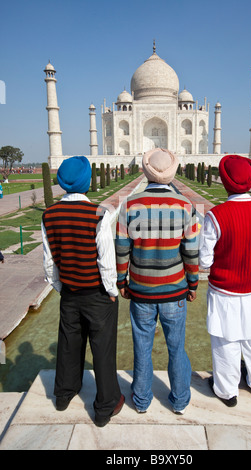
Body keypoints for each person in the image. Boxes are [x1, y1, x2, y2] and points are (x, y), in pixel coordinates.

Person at [42, 156, 124, 427]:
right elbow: (105, 259)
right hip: (98, 295)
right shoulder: (99, 213)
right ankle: (105, 407)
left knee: (68, 343)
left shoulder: (49, 214)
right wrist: (111, 290)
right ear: (88, 182)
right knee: (102, 349)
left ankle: (64, 395)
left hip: (70, 294)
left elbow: (49, 259)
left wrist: (61, 286)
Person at [116, 148, 200, 414]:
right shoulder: (186, 206)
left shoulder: (129, 205)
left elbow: (121, 249)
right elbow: (191, 251)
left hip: (140, 291)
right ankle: (180, 401)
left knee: (142, 347)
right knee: (176, 348)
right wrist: (193, 283)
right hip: (175, 291)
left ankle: (141, 401)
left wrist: (122, 281)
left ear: (145, 170)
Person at [199, 154, 251, 407]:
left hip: (224, 292)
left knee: (226, 342)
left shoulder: (216, 216)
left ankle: (227, 391)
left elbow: (204, 261)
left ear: (224, 182)